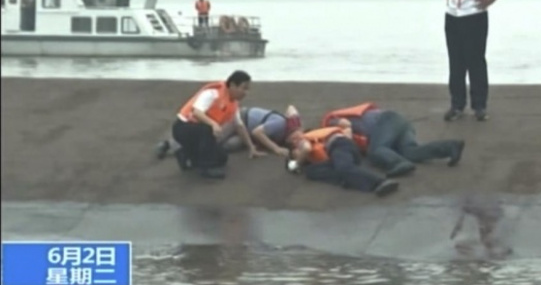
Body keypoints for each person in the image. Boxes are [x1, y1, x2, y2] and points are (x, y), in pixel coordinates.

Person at [321, 102, 465, 176]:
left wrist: (345, 139)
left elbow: (346, 125)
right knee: (411, 151)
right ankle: (450, 147)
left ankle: (398, 163)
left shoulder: (331, 122)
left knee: (375, 151)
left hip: (386, 120)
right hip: (398, 122)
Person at [171, 70, 264, 178]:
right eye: (244, 88)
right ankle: (205, 169)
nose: (246, 92)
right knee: (208, 130)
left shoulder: (233, 103)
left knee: (221, 158)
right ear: (233, 85)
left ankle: (185, 154)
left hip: (200, 132)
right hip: (183, 127)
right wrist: (213, 124)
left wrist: (251, 147)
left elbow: (239, 125)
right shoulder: (213, 93)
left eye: (247, 89)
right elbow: (196, 112)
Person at [285, 122, 399, 197]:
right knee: (312, 172)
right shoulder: (312, 165)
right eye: (293, 143)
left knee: (343, 168)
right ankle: (349, 180)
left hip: (339, 146)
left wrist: (296, 164)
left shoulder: (306, 139)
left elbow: (306, 148)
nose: (296, 141)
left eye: (295, 137)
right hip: (344, 151)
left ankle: (380, 181)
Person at [155, 105, 299, 158]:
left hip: (246, 133)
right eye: (296, 138)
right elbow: (257, 132)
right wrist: (276, 149)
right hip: (241, 119)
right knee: (215, 138)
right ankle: (169, 145)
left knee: (228, 146)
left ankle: (190, 151)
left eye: (295, 143)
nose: (294, 141)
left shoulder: (286, 136)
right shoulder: (281, 123)